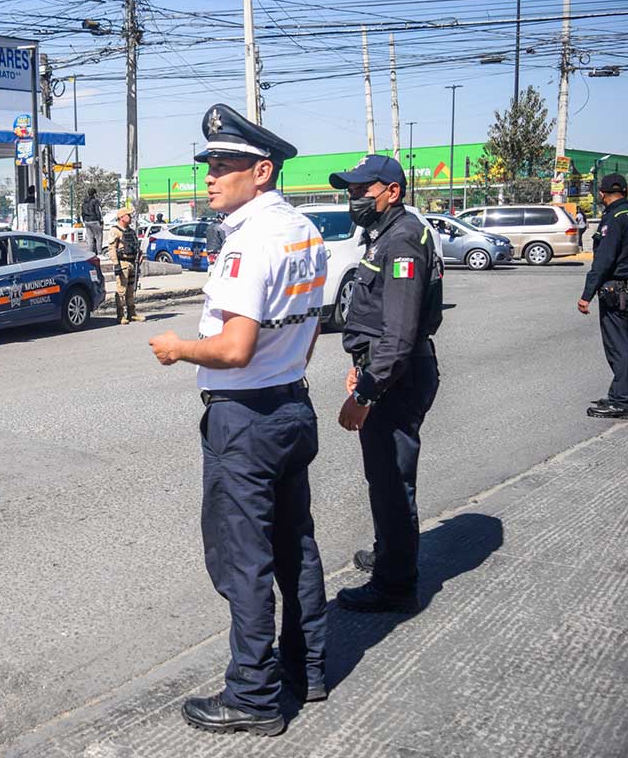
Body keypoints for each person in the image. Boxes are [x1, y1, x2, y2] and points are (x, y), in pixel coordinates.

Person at [149, 104, 328, 737]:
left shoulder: (249, 242)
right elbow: (308, 331)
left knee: (242, 559)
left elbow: (234, 348)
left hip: (246, 418)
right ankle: (308, 669)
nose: (210, 176)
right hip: (291, 404)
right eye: (209, 164)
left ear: (262, 171)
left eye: (224, 164)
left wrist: (178, 349)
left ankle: (252, 694)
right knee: (294, 544)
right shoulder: (304, 230)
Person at [329, 154, 443, 614]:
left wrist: (365, 393)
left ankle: (395, 586)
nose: (354, 198)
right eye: (351, 191)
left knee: (392, 481)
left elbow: (397, 337)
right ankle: (390, 553)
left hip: (396, 379)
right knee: (382, 476)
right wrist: (361, 364)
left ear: (392, 192)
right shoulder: (386, 235)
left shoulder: (402, 242)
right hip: (385, 371)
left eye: (362, 190)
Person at [579, 173, 628, 418]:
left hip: (615, 291)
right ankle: (627, 393)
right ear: (626, 192)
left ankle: (621, 402)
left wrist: (587, 294)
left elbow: (604, 260)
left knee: (618, 346)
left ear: (602, 194)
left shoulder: (614, 219)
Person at [107, 205, 144, 324]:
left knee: (131, 290)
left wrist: (140, 255)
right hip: (123, 263)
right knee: (121, 290)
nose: (130, 217)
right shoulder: (115, 231)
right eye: (128, 215)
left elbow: (136, 246)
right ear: (122, 217)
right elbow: (111, 248)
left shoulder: (131, 232)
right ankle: (120, 315)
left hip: (133, 263)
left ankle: (132, 313)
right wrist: (116, 264)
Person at [81, 187, 104, 254]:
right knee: (98, 237)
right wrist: (100, 221)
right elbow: (98, 211)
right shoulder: (95, 201)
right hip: (94, 220)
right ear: (94, 194)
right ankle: (99, 253)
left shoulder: (84, 202)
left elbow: (82, 212)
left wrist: (84, 220)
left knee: (90, 238)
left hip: (87, 221)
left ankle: (90, 253)